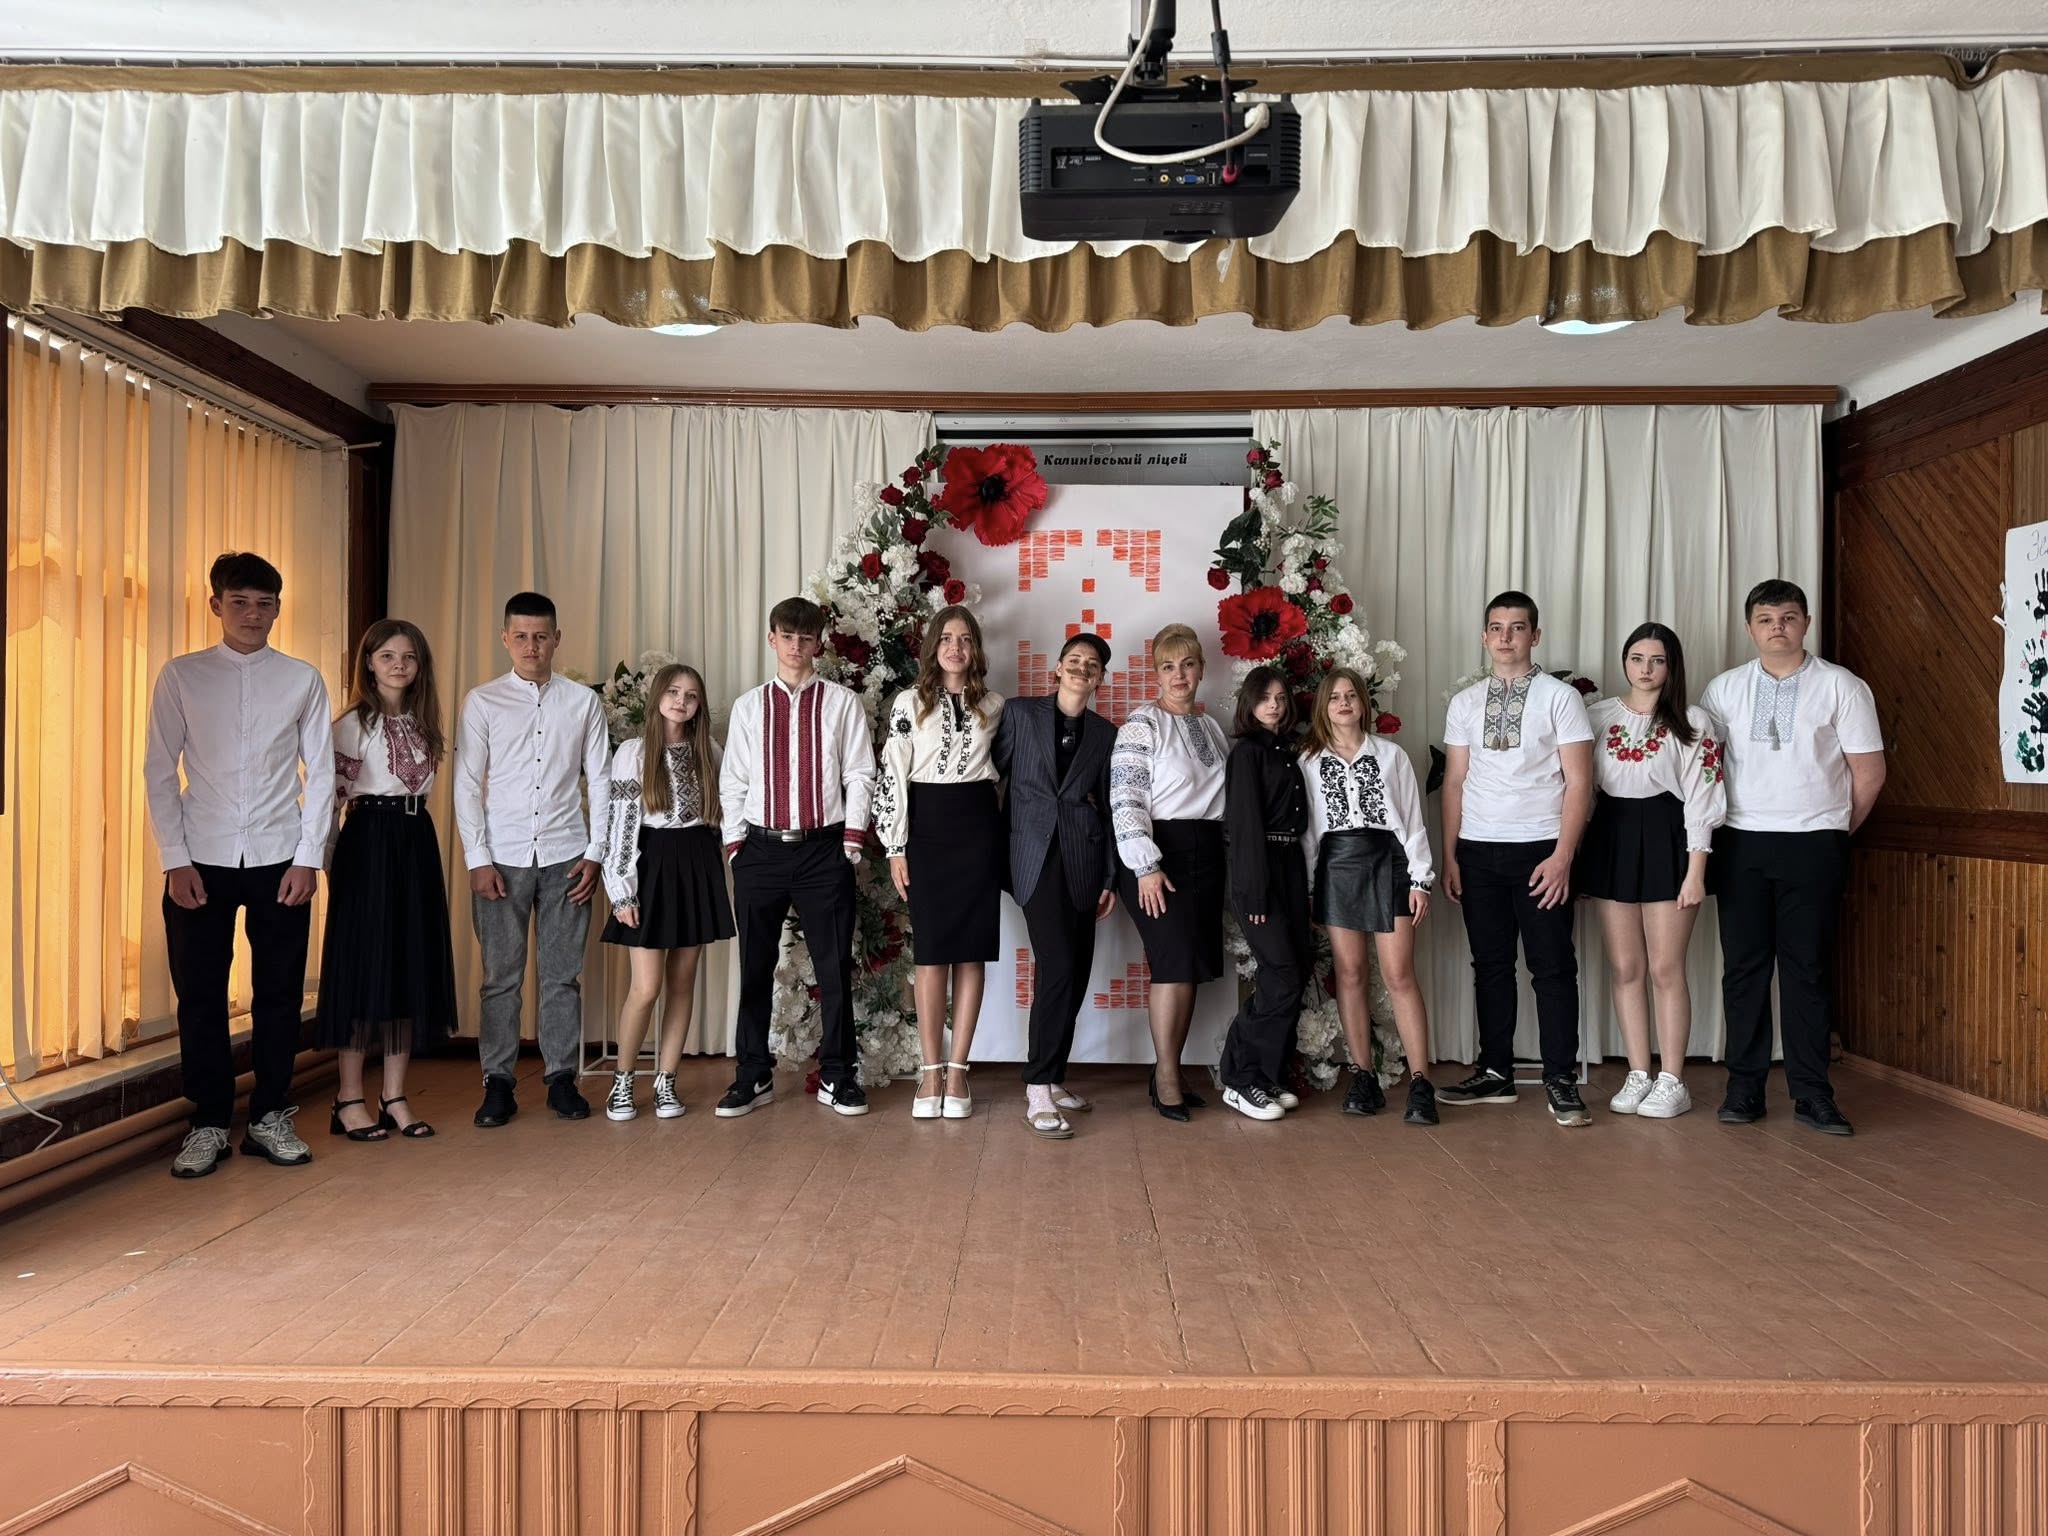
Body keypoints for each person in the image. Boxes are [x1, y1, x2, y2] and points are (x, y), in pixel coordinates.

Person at [144, 552, 335, 1179]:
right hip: (201, 857)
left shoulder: (302, 679)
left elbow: (321, 773)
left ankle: (270, 1116)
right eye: (240, 602)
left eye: (264, 603)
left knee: (279, 993)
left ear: (278, 609)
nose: (253, 614)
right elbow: (158, 770)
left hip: (281, 856)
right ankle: (208, 1123)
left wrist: (309, 858)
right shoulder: (182, 676)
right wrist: (174, 859)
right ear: (216, 605)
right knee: (199, 994)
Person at [1701, 580, 1885, 1136]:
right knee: (1744, 969)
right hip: (1741, 841)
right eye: (1765, 619)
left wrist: (1832, 830)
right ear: (1749, 628)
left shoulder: (1841, 686)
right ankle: (1744, 1088)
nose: (1777, 627)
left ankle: (1813, 1095)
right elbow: (1706, 770)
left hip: (1815, 843)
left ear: (1806, 622)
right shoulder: (1724, 690)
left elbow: (1869, 772)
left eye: (1787, 617)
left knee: (1806, 969)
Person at [1438, 591, 1597, 1127]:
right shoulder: (1465, 703)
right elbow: (1454, 782)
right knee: (1490, 966)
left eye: (1518, 627)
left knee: (1552, 968)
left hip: (1541, 850)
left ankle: (1561, 1079)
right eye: (1497, 627)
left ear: (1536, 635)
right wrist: (1451, 856)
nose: (1506, 637)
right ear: (1484, 636)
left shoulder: (1560, 698)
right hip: (1478, 850)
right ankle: (1495, 1073)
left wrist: (1564, 856)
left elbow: (1580, 782)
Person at [454, 592, 611, 1128]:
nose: (531, 646)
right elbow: (467, 784)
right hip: (502, 857)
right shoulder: (483, 702)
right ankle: (498, 1082)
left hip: (568, 856)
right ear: (505, 639)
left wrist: (596, 853)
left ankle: (561, 1079)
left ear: (556, 639)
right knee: (500, 977)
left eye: (541, 636)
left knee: (562, 976)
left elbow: (602, 780)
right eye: (520, 636)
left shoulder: (582, 703)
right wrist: (477, 858)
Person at [719, 597, 876, 1118]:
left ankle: (837, 1074)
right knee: (754, 966)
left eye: (806, 637)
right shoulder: (749, 706)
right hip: (760, 850)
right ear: (772, 639)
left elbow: (860, 772)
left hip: (824, 850)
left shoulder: (842, 703)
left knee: (833, 967)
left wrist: (852, 839)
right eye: (787, 636)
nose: (796, 646)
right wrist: (737, 847)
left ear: (819, 644)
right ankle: (752, 1073)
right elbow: (734, 780)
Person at [1577, 623, 1726, 1121]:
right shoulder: (1597, 716)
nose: (1646, 669)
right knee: (1626, 967)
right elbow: (1581, 789)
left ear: (1672, 666)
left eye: (1657, 660)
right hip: (1611, 838)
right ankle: (1638, 1071)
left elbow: (1703, 796)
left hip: (1669, 838)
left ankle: (1673, 1079)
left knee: (1665, 967)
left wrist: (1696, 870)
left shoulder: (1693, 721)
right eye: (1637, 658)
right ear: (1625, 661)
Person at [317, 618, 459, 1142]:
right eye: (387, 656)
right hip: (368, 844)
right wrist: (330, 865)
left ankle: (394, 1096)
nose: (399, 665)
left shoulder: (425, 725)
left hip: (415, 841)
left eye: (409, 657)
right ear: (369, 664)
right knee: (362, 967)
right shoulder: (352, 724)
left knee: (407, 964)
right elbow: (329, 801)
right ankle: (348, 1097)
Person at [878, 606, 1005, 1121]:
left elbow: (1004, 774)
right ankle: (930, 1071)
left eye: (965, 639)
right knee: (930, 955)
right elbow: (893, 772)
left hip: (977, 828)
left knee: (971, 954)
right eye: (947, 638)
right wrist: (895, 846)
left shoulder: (994, 705)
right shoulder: (909, 703)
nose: (956, 647)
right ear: (933, 646)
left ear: (975, 648)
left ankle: (958, 1071)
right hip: (926, 827)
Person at [1299, 667, 1440, 1125]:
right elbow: (1309, 834)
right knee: (1351, 973)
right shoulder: (1309, 761)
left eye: (1351, 696)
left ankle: (1421, 1083)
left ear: (1363, 703)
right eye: (1334, 697)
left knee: (1399, 974)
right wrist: (1309, 889)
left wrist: (1420, 879)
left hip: (1390, 862)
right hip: (1337, 865)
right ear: (1324, 707)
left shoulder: (1391, 755)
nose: (1343, 703)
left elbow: (1413, 820)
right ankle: (1362, 1077)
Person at [993, 631, 1119, 1139]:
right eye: (1074, 660)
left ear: (1100, 678)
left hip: (1084, 860)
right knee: (1059, 966)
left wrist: (1110, 875)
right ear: (1058, 668)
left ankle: (1055, 1073)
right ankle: (1038, 1085)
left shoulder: (1105, 734)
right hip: (1032, 856)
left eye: (1092, 665)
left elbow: (1109, 808)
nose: (1082, 668)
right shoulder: (1021, 715)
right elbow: (990, 777)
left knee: (1077, 969)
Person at [598, 663, 735, 1122]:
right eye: (674, 692)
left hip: (697, 865)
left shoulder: (709, 751)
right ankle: (623, 1080)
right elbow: (621, 826)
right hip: (650, 866)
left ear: (699, 706)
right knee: (646, 986)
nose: (681, 701)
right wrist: (622, 891)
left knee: (682, 983)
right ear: (657, 696)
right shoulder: (634, 753)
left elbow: (727, 812)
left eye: (691, 695)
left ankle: (666, 1080)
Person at [1112, 623, 1231, 1122]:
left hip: (1207, 852)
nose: (1179, 675)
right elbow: (1126, 797)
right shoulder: (1142, 724)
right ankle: (1164, 1076)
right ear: (1156, 674)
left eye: (1187, 664)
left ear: (1201, 669)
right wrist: (1146, 866)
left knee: (1191, 968)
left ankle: (1173, 1069)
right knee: (1172, 965)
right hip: (1160, 855)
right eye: (1168, 666)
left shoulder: (1212, 728)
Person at [1217, 666, 1310, 1123]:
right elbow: (1244, 826)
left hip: (1291, 866)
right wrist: (1254, 893)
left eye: (1280, 697)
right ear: (1249, 704)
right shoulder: (1247, 753)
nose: (1273, 705)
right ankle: (1240, 1079)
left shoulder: (1290, 751)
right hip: (1259, 871)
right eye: (1264, 697)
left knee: (1296, 971)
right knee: (1281, 973)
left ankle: (1265, 1073)